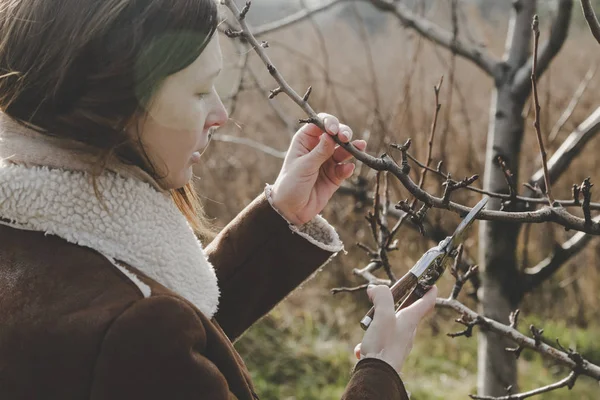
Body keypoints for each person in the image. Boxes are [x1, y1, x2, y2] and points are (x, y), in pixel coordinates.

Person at [0, 1, 437, 399]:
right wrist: (379, 372)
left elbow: (162, 347)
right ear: (115, 102)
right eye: (197, 91)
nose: (220, 115)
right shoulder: (131, 332)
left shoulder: (31, 247)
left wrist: (281, 218)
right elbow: (144, 341)